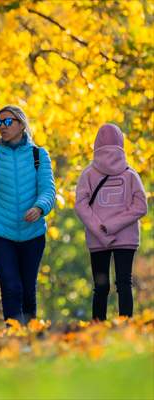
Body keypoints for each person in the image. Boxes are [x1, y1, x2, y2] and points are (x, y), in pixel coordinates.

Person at [0, 105, 56, 324]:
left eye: (7, 122)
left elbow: (48, 190)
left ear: (21, 123)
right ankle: (14, 337)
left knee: (27, 289)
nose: (2, 127)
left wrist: (39, 207)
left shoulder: (39, 154)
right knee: (11, 286)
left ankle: (30, 336)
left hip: (33, 234)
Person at [74, 123, 147, 321]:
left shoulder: (87, 174)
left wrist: (101, 229)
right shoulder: (131, 175)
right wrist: (115, 225)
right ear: (121, 145)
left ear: (96, 145)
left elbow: (80, 205)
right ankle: (126, 326)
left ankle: (97, 328)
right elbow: (141, 206)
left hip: (97, 239)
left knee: (101, 286)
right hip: (127, 238)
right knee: (124, 282)